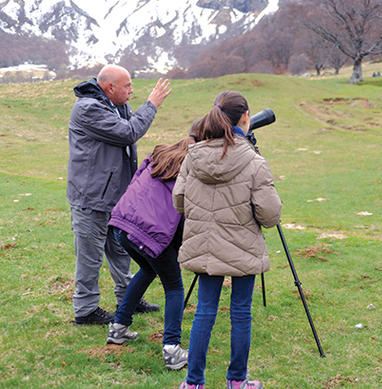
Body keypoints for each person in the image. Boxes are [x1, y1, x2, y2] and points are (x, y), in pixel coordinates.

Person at [174, 91, 282, 389]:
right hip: (242, 247)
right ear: (245, 116)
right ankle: (237, 380)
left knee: (204, 311)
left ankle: (193, 382)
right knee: (241, 313)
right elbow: (270, 216)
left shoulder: (192, 156)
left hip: (204, 246)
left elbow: (179, 202)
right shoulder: (254, 162)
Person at [67, 64, 172, 325]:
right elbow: (128, 133)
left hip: (114, 195)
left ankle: (129, 298)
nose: (131, 91)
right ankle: (86, 310)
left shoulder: (115, 105)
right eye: (127, 86)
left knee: (120, 251)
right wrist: (152, 104)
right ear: (109, 87)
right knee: (90, 256)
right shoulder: (88, 108)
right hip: (91, 197)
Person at [105, 123, 201, 370]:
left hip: (123, 225)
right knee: (174, 285)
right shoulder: (191, 168)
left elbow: (137, 183)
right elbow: (185, 210)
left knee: (148, 270)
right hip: (149, 233)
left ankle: (118, 327)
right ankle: (172, 349)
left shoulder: (159, 154)